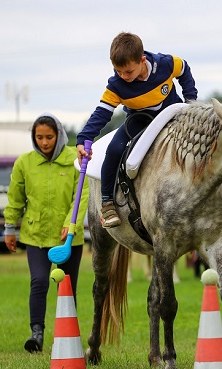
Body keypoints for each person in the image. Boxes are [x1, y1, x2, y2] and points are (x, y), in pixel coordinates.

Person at [76, 32, 198, 228]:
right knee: (114, 149)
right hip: (139, 120)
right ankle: (107, 202)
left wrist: (190, 100)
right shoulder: (116, 85)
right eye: (118, 71)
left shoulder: (166, 63)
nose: (123, 77)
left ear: (142, 60)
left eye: (128, 72)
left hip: (173, 115)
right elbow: (102, 113)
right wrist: (83, 138)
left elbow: (184, 69)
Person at [4, 113, 89, 353]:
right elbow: (15, 198)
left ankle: (68, 335)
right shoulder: (24, 163)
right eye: (39, 137)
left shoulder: (75, 159)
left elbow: (81, 195)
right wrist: (10, 227)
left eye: (49, 137)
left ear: (59, 135)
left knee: (68, 287)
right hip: (36, 235)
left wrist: (71, 224)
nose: (44, 142)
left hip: (69, 239)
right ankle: (37, 334)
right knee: (39, 282)